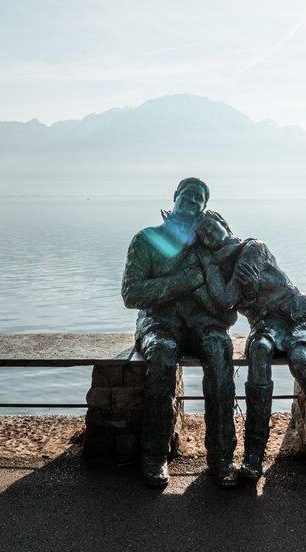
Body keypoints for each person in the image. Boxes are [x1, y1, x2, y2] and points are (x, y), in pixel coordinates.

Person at [195, 211, 306, 481]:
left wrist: (207, 264)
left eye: (211, 226)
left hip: (298, 314)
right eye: (203, 234)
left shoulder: (251, 248)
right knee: (259, 349)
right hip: (267, 323)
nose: (208, 234)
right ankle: (254, 455)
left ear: (225, 224)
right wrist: (209, 266)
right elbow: (222, 304)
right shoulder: (218, 268)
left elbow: (226, 296)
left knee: (300, 359)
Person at [121, 178, 238, 489]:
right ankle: (154, 453)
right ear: (174, 197)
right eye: (187, 194)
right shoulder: (146, 239)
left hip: (201, 320)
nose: (192, 200)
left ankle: (223, 455)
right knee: (161, 353)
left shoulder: (210, 244)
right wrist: (182, 282)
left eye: (199, 198)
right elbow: (131, 294)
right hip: (159, 322)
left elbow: (229, 302)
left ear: (204, 207)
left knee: (219, 347)